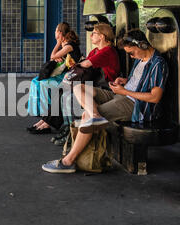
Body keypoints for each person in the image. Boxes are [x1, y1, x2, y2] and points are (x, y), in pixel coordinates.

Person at [41, 29, 169, 173]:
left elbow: (154, 97)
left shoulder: (158, 64)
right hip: (122, 94)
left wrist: (124, 91)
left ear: (142, 46)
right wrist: (125, 82)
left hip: (134, 105)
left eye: (132, 53)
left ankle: (68, 161)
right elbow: (139, 81)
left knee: (86, 116)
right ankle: (95, 116)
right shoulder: (141, 59)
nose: (131, 57)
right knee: (79, 87)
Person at [35, 22, 120, 146]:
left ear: (102, 36)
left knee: (68, 96)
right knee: (63, 93)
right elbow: (85, 61)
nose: (91, 36)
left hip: (106, 87)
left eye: (94, 33)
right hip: (94, 84)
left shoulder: (107, 51)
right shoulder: (96, 50)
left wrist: (77, 64)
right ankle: (68, 128)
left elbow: (86, 64)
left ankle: (71, 131)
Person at [27, 22, 82, 134]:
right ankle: (44, 119)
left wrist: (57, 43)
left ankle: (45, 118)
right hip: (69, 75)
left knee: (43, 83)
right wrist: (58, 57)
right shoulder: (67, 45)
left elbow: (52, 55)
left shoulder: (69, 45)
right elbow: (57, 58)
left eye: (56, 30)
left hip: (72, 78)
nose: (54, 32)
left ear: (60, 33)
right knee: (41, 82)